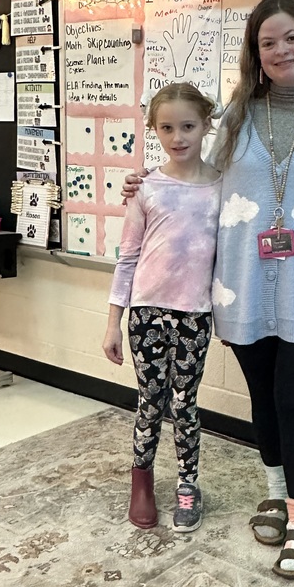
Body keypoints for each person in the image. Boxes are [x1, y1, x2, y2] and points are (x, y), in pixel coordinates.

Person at [124, 0, 294, 577]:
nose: (280, 50)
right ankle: (275, 490)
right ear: (255, 53)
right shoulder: (235, 117)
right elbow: (197, 183)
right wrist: (145, 189)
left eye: (290, 37)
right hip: (240, 286)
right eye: (267, 42)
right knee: (264, 400)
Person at [103, 82, 221, 534]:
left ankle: (188, 484)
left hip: (195, 314)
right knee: (150, 401)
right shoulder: (146, 188)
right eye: (167, 127)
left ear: (206, 125)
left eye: (188, 126)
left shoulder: (221, 187)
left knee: (185, 402)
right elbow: (127, 257)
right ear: (153, 129)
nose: (179, 137)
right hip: (147, 313)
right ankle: (142, 480)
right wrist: (113, 323)